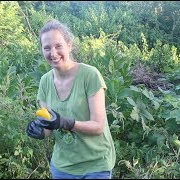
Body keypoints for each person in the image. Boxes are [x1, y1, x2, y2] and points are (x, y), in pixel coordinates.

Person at [26, 19, 116, 179]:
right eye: (47, 48)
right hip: (62, 167)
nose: (53, 53)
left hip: (95, 165)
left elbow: (98, 126)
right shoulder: (45, 82)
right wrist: (39, 130)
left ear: (69, 45)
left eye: (58, 46)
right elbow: (48, 127)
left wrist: (65, 122)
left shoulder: (90, 75)